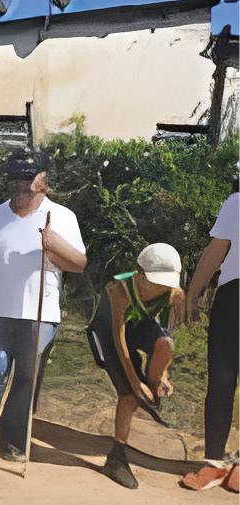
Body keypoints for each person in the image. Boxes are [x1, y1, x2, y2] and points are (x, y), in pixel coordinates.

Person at [0, 148, 87, 462]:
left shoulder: (61, 217)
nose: (20, 185)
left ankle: (13, 439)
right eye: (14, 178)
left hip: (41, 316)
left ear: (42, 181)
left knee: (27, 379)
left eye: (28, 178)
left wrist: (55, 245)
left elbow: (80, 263)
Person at [86, 243, 186, 488]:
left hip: (139, 328)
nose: (161, 287)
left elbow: (167, 334)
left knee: (165, 344)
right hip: (108, 335)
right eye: (155, 282)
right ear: (140, 274)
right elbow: (119, 340)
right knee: (129, 394)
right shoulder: (119, 290)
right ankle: (116, 458)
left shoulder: (174, 294)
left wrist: (162, 374)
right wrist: (135, 383)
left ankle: (154, 388)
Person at [185, 170, 239, 465]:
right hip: (233, 296)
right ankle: (219, 460)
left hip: (234, 297)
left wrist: (192, 295)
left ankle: (214, 459)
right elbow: (215, 252)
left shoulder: (236, 202)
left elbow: (214, 253)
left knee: (221, 379)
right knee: (221, 378)